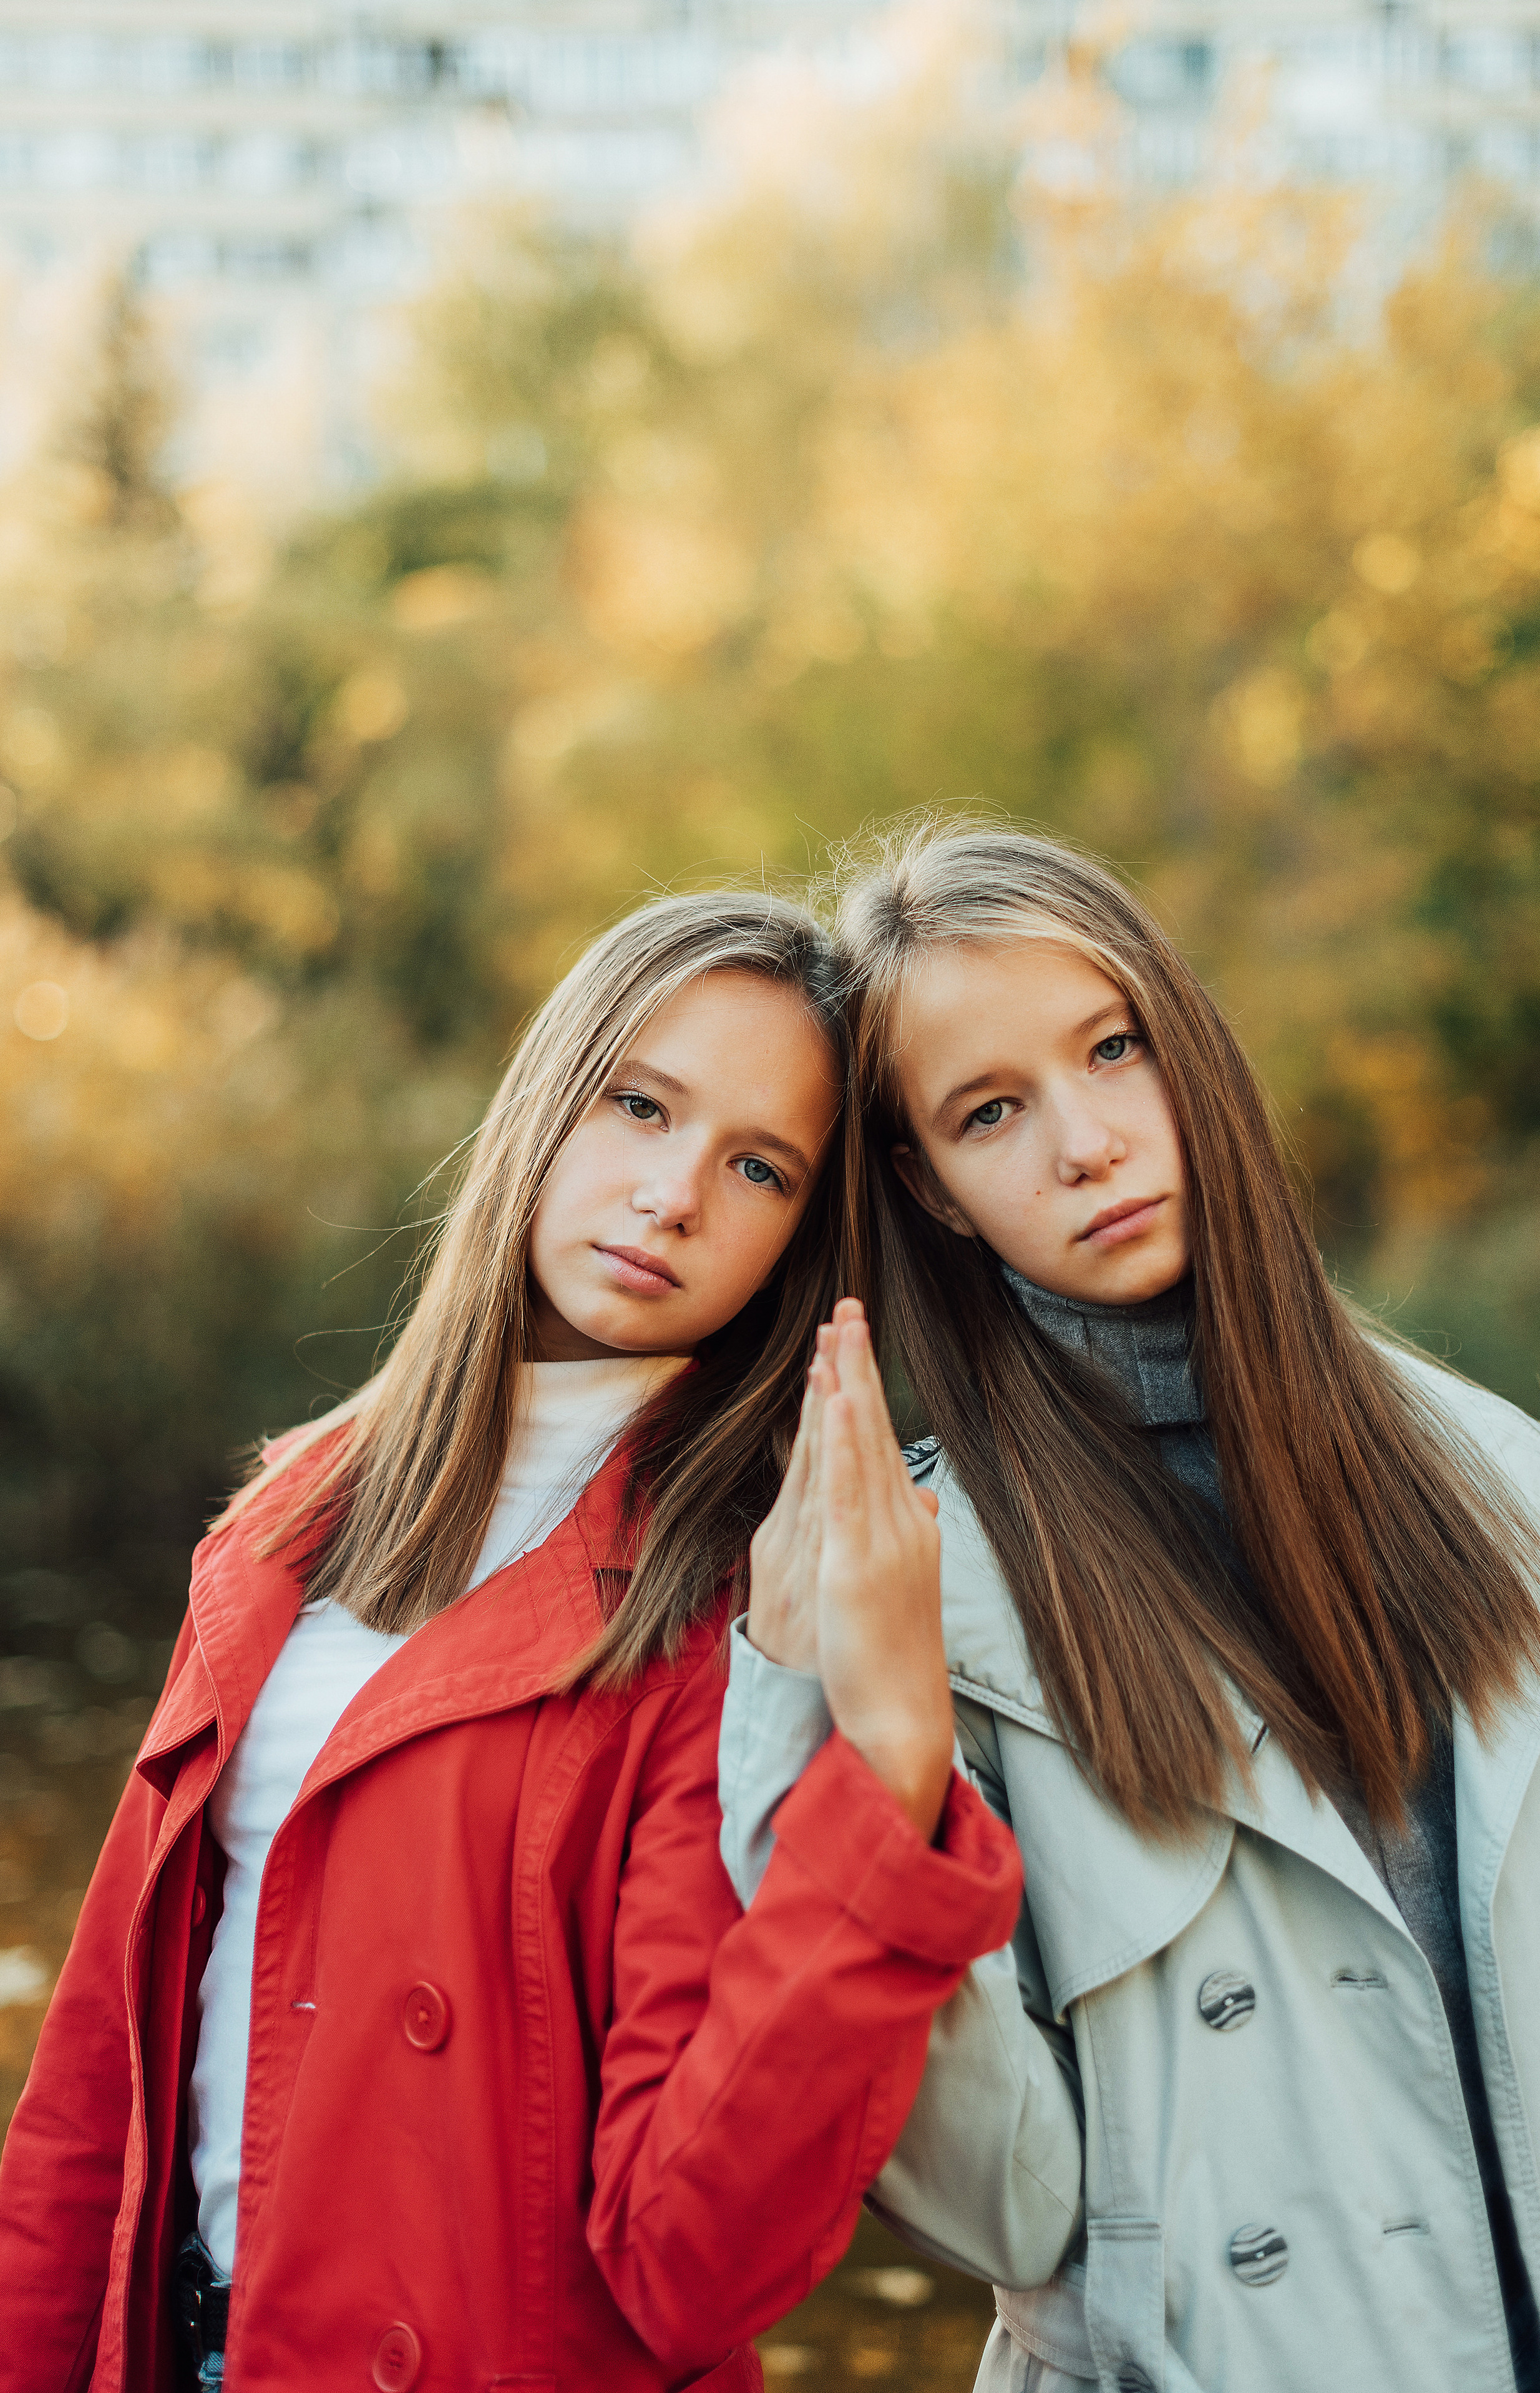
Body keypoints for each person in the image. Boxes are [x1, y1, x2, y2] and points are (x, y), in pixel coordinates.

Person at [0, 889, 1021, 2393]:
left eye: (756, 1166)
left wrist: (890, 1774)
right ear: (548, 1103)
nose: (673, 1194)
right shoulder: (289, 1521)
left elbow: (693, 2262)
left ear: (801, 1244)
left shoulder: (733, 1604)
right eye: (640, 1105)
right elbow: (94, 2101)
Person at [719, 827, 1540, 2393]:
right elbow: (1006, 2205)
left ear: (1185, 1043)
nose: (1085, 1143)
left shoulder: (1504, 1483)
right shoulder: (937, 1595)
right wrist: (864, 1744)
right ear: (927, 1187)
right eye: (992, 1112)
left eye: (1111, 1050)